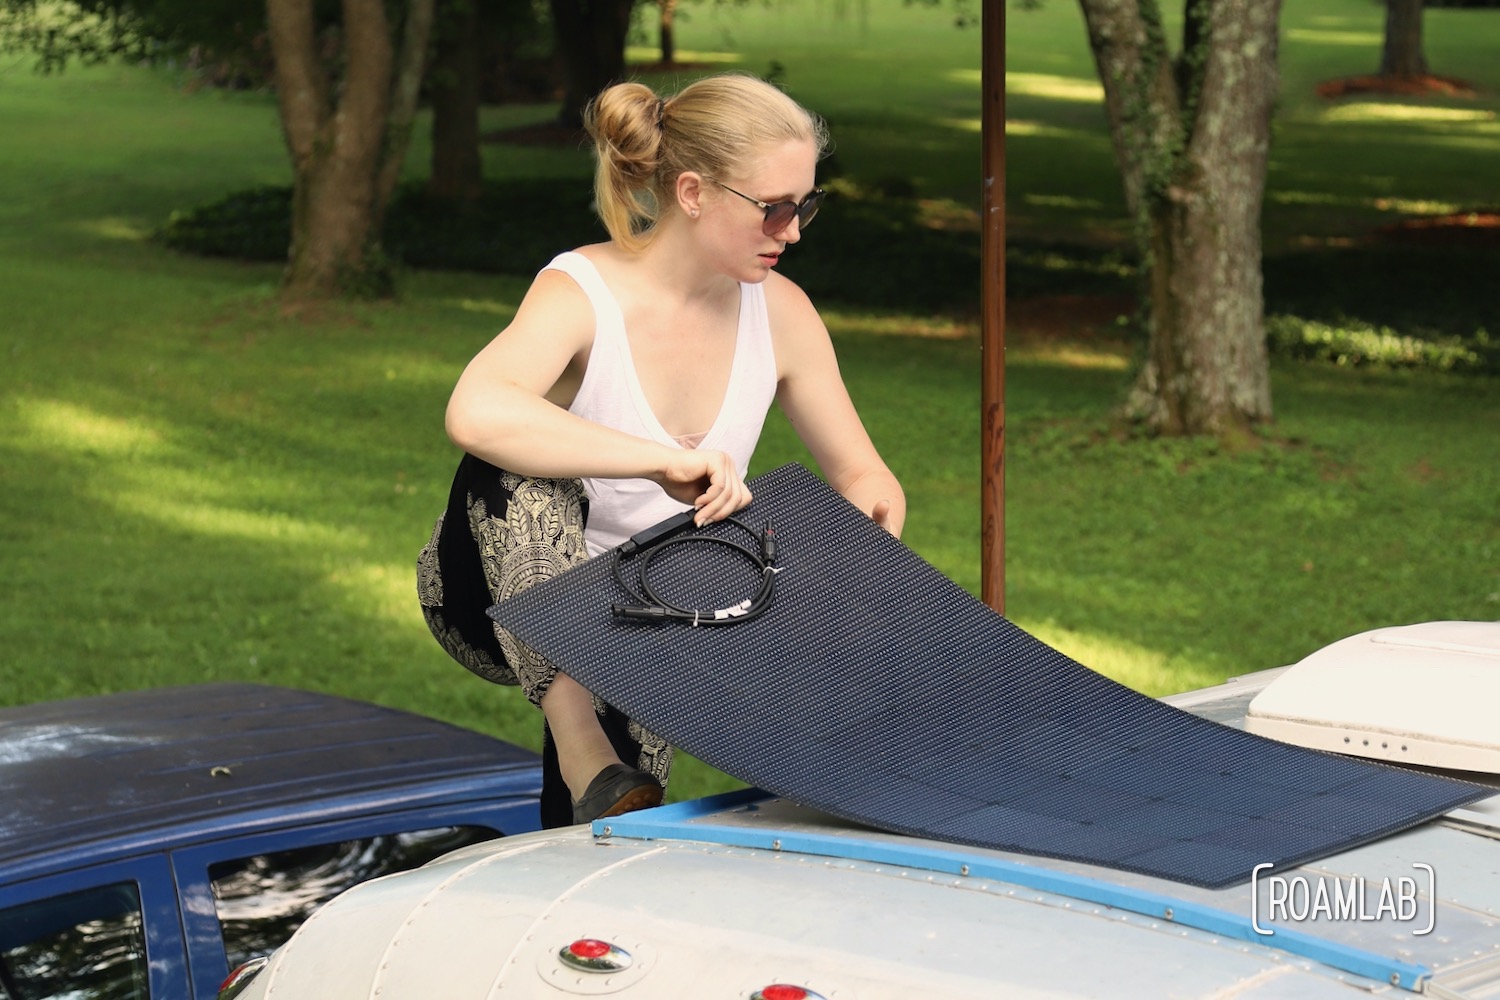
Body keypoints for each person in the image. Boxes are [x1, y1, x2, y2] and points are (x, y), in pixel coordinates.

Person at [417, 72, 904, 829]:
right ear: (692, 193)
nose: (794, 230)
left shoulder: (784, 315)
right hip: (495, 594)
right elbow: (475, 409)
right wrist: (657, 459)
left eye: (804, 205)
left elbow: (861, 471)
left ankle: (597, 788)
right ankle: (581, 742)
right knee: (511, 470)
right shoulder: (583, 290)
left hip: (653, 610)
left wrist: (874, 508)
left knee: (606, 830)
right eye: (774, 208)